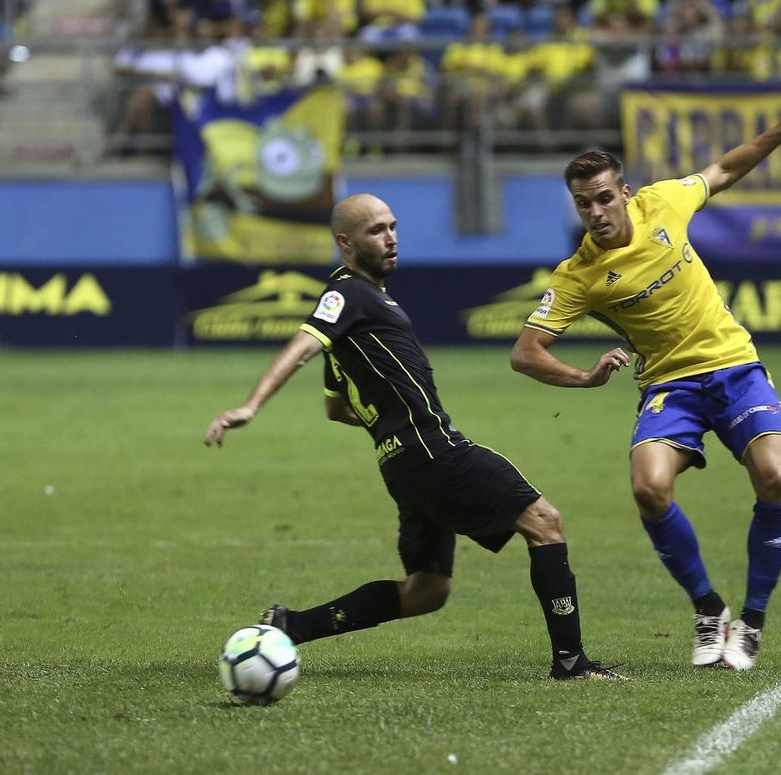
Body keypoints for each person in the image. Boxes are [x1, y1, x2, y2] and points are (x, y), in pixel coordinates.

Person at [204, 193, 625, 681]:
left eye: (393, 226)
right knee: (544, 522)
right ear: (345, 241)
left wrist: (387, 425)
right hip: (432, 449)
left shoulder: (364, 308)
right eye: (376, 230)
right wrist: (251, 406)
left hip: (400, 462)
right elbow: (303, 343)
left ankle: (289, 626)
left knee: (427, 590)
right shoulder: (349, 295)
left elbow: (335, 408)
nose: (391, 238)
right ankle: (571, 662)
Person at [510, 67, 781, 671]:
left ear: (625, 192)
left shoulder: (665, 201)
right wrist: (586, 378)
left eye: (603, 197)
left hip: (734, 365)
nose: (595, 212)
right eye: (582, 203)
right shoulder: (578, 276)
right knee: (649, 487)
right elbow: (526, 352)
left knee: (774, 477)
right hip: (670, 384)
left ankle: (750, 619)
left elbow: (725, 168)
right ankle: (708, 608)